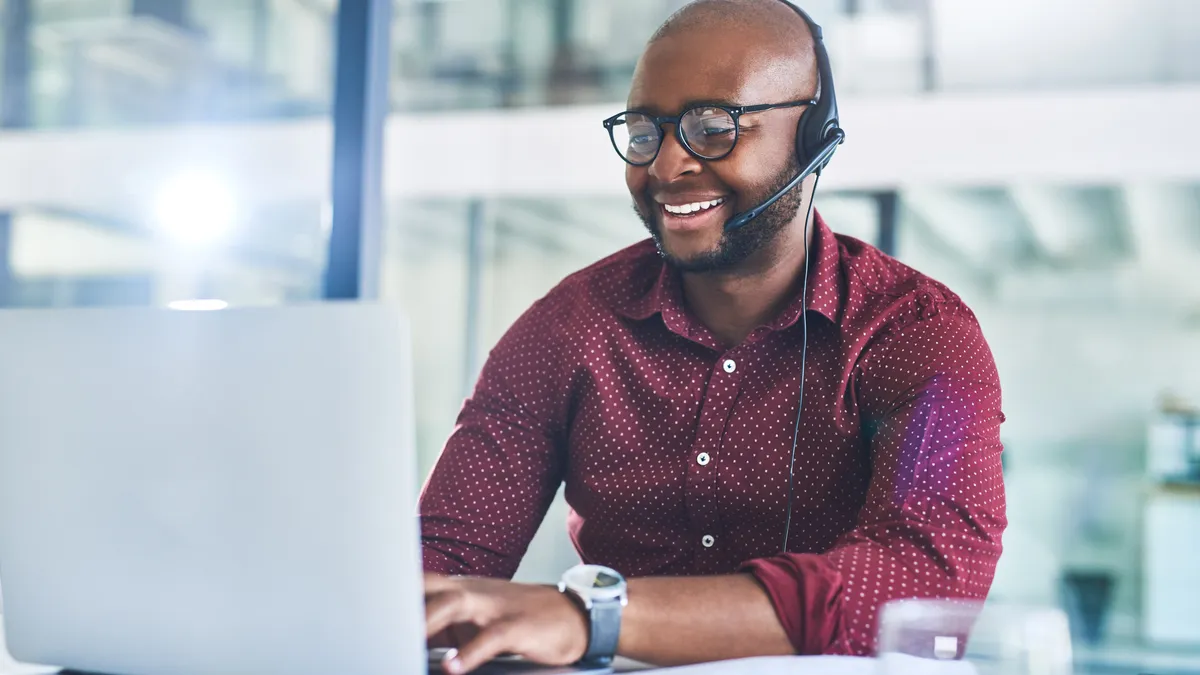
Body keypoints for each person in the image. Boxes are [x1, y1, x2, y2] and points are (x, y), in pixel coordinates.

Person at [420, 0, 1007, 672]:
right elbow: (439, 567)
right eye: (645, 133)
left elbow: (916, 583)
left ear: (813, 135)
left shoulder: (916, 334)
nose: (666, 168)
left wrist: (595, 616)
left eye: (711, 128)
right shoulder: (566, 330)